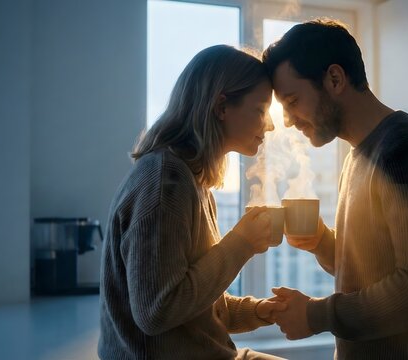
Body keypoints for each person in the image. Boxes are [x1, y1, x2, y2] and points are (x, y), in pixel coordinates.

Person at [263, 19, 408, 359]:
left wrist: (317, 315)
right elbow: (373, 269)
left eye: (292, 101)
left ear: (335, 79)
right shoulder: (358, 156)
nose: (288, 120)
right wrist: (322, 242)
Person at [98, 45, 287, 360]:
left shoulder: (193, 182)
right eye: (260, 109)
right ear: (221, 106)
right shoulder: (164, 184)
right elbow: (157, 311)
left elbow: (200, 303)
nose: (269, 125)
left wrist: (261, 311)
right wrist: (241, 243)